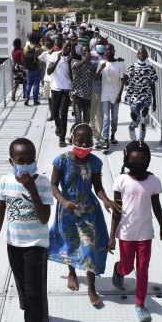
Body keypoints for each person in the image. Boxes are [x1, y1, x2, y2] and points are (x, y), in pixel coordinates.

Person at [0, 138, 53, 322]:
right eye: (21, 160)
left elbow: (44, 218)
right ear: (12, 161)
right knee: (25, 292)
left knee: (34, 298)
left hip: (36, 246)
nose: (26, 164)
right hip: (14, 245)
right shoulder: (4, 182)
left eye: (30, 160)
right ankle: (32, 312)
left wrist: (31, 188)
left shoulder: (42, 182)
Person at [47, 123, 121, 306]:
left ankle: (91, 286)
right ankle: (72, 272)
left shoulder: (95, 162)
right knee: (70, 242)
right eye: (80, 141)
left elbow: (98, 188)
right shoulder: (61, 160)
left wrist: (105, 200)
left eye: (87, 141)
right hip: (67, 209)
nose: (83, 145)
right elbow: (54, 185)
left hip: (88, 209)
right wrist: (63, 201)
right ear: (72, 140)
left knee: (89, 247)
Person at [108, 141, 162, 322]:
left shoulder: (153, 181)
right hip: (125, 233)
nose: (138, 164)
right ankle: (119, 270)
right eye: (133, 161)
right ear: (126, 160)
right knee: (127, 268)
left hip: (145, 233)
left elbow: (156, 205)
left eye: (142, 161)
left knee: (142, 270)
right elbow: (116, 211)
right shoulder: (121, 181)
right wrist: (112, 236)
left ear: (148, 160)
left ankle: (140, 304)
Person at [95, 44, 125, 151]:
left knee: (115, 117)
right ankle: (106, 139)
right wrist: (100, 69)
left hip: (115, 94)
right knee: (106, 117)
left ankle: (113, 134)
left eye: (110, 49)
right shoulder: (102, 62)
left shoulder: (120, 63)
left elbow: (123, 80)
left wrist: (119, 95)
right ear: (105, 51)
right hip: (105, 94)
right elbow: (96, 77)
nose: (108, 51)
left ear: (114, 51)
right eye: (106, 49)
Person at [124, 48, 158, 142]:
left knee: (143, 119)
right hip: (134, 97)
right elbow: (126, 83)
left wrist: (154, 101)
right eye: (140, 53)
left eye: (144, 53)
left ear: (147, 56)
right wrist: (125, 79)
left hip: (146, 97)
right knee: (136, 120)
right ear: (137, 56)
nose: (142, 55)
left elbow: (153, 85)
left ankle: (141, 140)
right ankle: (131, 127)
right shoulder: (132, 67)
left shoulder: (150, 69)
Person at [47, 42, 72, 147]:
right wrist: (57, 60)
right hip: (55, 88)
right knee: (54, 113)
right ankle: (58, 125)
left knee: (64, 114)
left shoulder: (72, 58)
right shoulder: (54, 55)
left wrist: (70, 63)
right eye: (66, 46)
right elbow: (49, 71)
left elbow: (72, 77)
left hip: (66, 89)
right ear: (62, 46)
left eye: (70, 47)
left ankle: (62, 138)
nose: (68, 48)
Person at [69, 45, 95, 126]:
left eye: (88, 51)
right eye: (85, 51)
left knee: (86, 120)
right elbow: (75, 66)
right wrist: (85, 60)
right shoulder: (75, 61)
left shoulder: (91, 64)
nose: (87, 52)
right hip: (77, 95)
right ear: (81, 53)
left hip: (87, 95)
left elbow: (96, 76)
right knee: (78, 119)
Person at [89, 37, 106, 146]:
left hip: (102, 90)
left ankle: (97, 137)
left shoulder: (108, 56)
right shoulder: (91, 55)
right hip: (91, 89)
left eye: (102, 44)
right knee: (91, 113)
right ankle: (92, 131)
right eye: (98, 43)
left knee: (100, 114)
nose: (99, 45)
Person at [23, 33, 44, 106]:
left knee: (29, 84)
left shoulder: (26, 48)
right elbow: (43, 55)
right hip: (37, 68)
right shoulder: (38, 48)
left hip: (29, 69)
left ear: (28, 39)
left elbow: (24, 57)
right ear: (35, 39)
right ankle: (35, 100)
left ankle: (27, 98)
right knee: (36, 85)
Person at [38, 38, 55, 121]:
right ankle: (52, 114)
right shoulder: (45, 54)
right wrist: (35, 51)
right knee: (49, 98)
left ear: (53, 45)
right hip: (47, 79)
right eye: (47, 46)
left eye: (49, 46)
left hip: (55, 79)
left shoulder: (57, 54)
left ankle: (56, 113)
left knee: (56, 98)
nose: (48, 47)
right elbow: (37, 59)